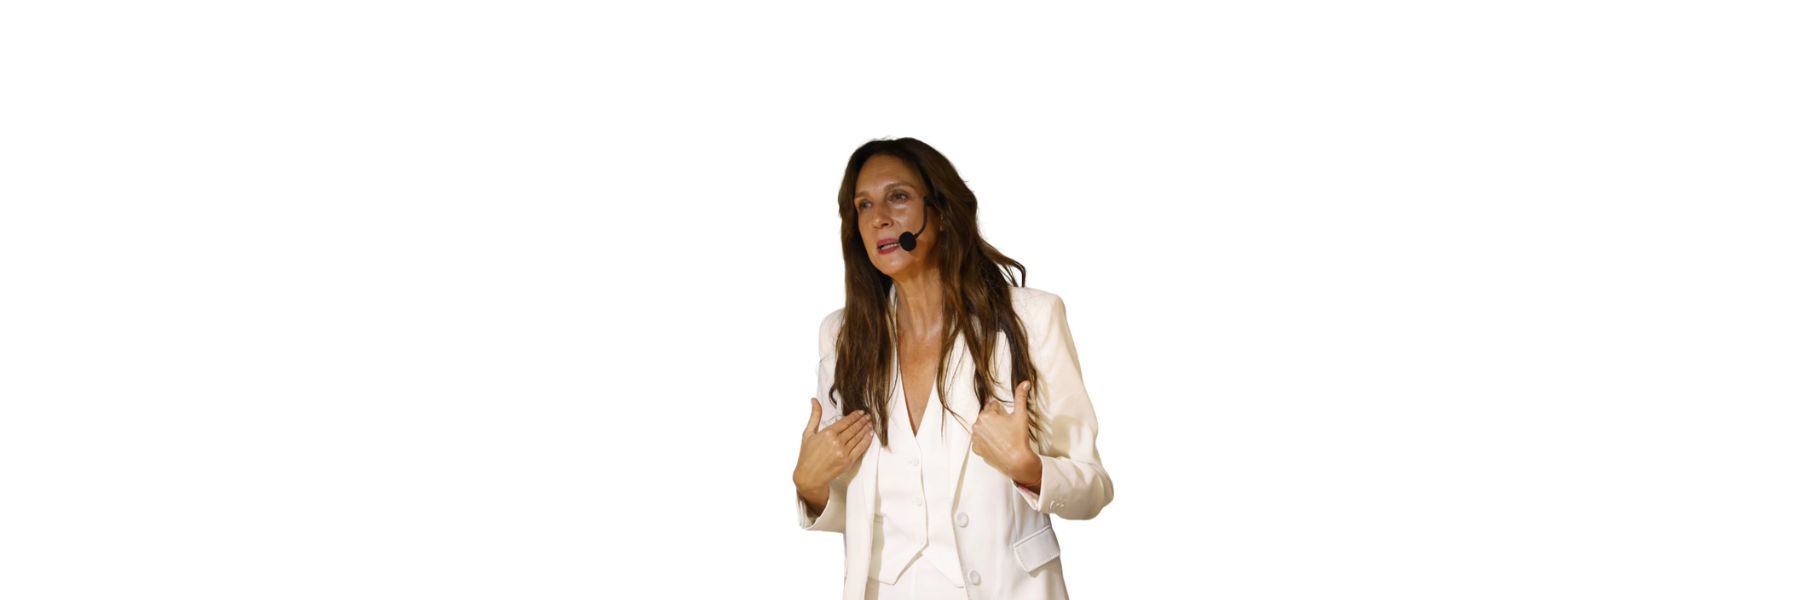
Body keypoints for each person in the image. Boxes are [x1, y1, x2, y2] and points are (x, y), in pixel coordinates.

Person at [792, 138, 1114, 599]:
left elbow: (1093, 488)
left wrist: (1029, 469)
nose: (879, 217)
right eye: (864, 205)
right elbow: (855, 506)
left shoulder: (1030, 319)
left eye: (898, 197)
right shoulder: (843, 336)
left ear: (941, 213)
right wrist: (810, 484)